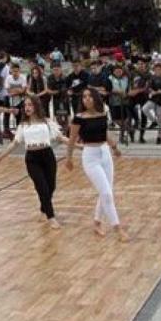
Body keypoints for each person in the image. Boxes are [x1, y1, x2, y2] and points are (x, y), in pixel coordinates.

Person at [0, 96, 69, 229]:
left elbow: (61, 138)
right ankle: (51, 217)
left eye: (30, 105)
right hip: (32, 159)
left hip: (48, 156)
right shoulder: (23, 125)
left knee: (51, 186)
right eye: (25, 105)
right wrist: (0, 157)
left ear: (36, 106)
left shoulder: (47, 122)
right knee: (42, 187)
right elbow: (15, 143)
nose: (27, 108)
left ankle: (44, 208)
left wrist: (79, 146)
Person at [65, 88, 129, 241]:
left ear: (95, 98)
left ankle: (97, 222)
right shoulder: (78, 118)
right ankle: (117, 228)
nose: (86, 99)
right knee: (106, 193)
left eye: (89, 96)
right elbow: (72, 139)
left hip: (105, 153)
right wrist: (69, 158)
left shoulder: (103, 114)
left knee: (106, 190)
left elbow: (105, 134)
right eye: (84, 97)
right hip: (90, 156)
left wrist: (114, 148)